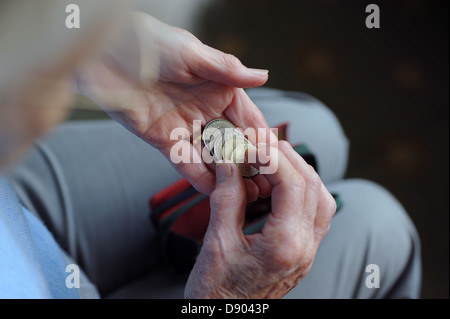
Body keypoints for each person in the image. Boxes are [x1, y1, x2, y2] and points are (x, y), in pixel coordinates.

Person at [0, 1, 421, 298]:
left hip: (16, 206)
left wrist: (90, 42)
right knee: (380, 228)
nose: (50, 115)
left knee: (315, 130)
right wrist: (228, 298)